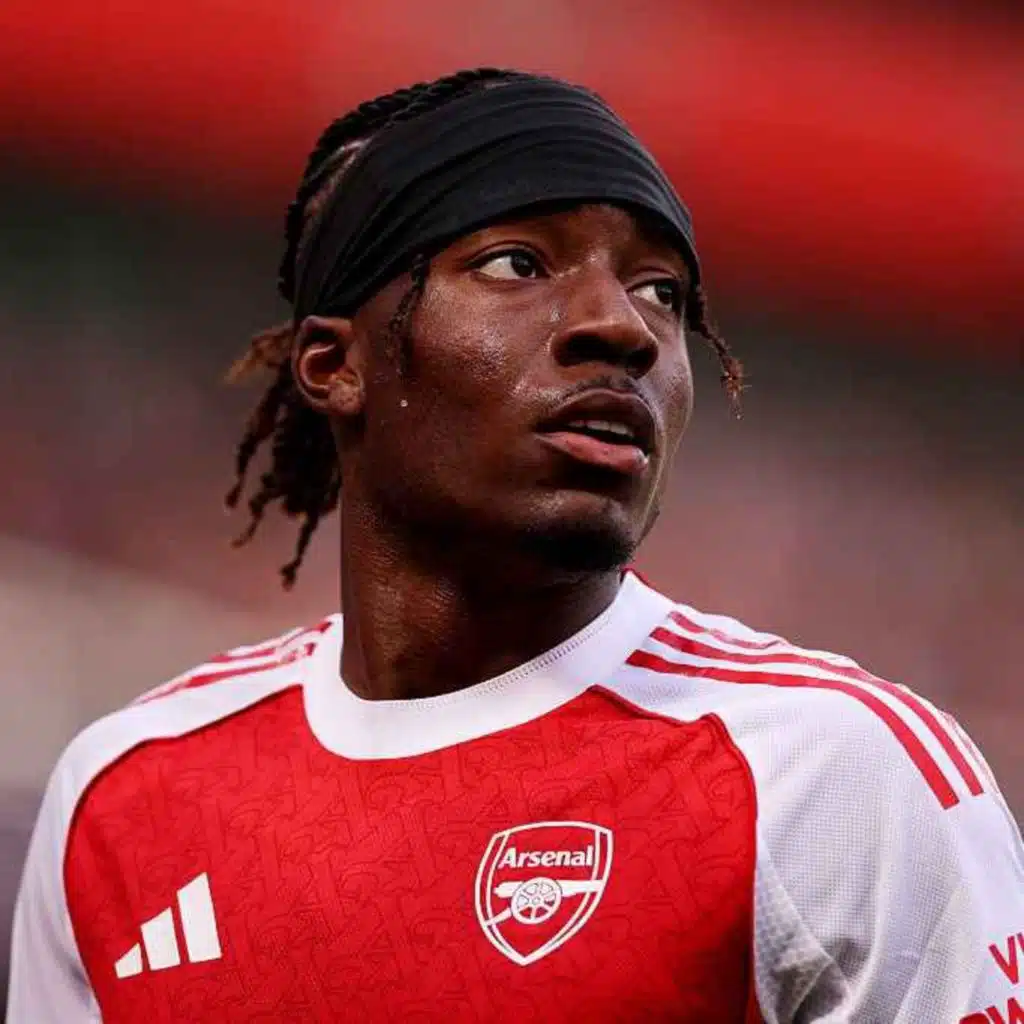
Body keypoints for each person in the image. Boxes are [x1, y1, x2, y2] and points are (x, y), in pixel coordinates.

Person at [7, 68, 1023, 1024]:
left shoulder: (829, 775)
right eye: (516, 264)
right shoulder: (128, 798)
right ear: (335, 365)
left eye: (662, 292)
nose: (623, 328)